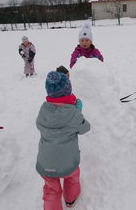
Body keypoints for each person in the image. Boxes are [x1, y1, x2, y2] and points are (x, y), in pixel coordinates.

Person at [36, 71, 90, 209]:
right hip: (68, 162)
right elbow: (85, 128)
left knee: (50, 189)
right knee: (72, 179)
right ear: (68, 91)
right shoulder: (73, 113)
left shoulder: (43, 110)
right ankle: (70, 199)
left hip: (46, 162)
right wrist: (77, 112)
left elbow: (39, 125)